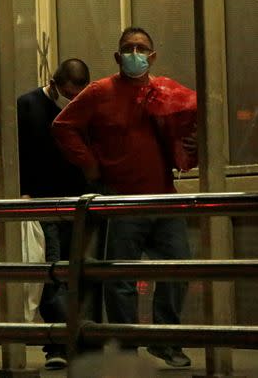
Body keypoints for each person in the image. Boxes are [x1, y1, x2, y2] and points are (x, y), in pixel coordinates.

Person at [51, 28, 196, 368]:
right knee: (120, 278)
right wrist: (88, 165)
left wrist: (193, 151)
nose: (135, 53)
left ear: (153, 55)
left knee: (179, 268)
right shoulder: (99, 92)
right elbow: (63, 125)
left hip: (163, 196)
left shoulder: (166, 93)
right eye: (128, 48)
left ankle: (166, 341)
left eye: (141, 48)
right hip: (120, 198)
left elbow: (185, 140)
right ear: (117, 57)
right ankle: (126, 346)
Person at [17, 58, 90, 370]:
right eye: (68, 94)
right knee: (51, 272)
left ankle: (66, 340)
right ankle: (59, 343)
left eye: (77, 95)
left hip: (74, 202)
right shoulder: (28, 106)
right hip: (42, 201)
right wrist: (22, 192)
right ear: (55, 83)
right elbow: (12, 149)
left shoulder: (84, 106)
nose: (72, 101)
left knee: (70, 273)